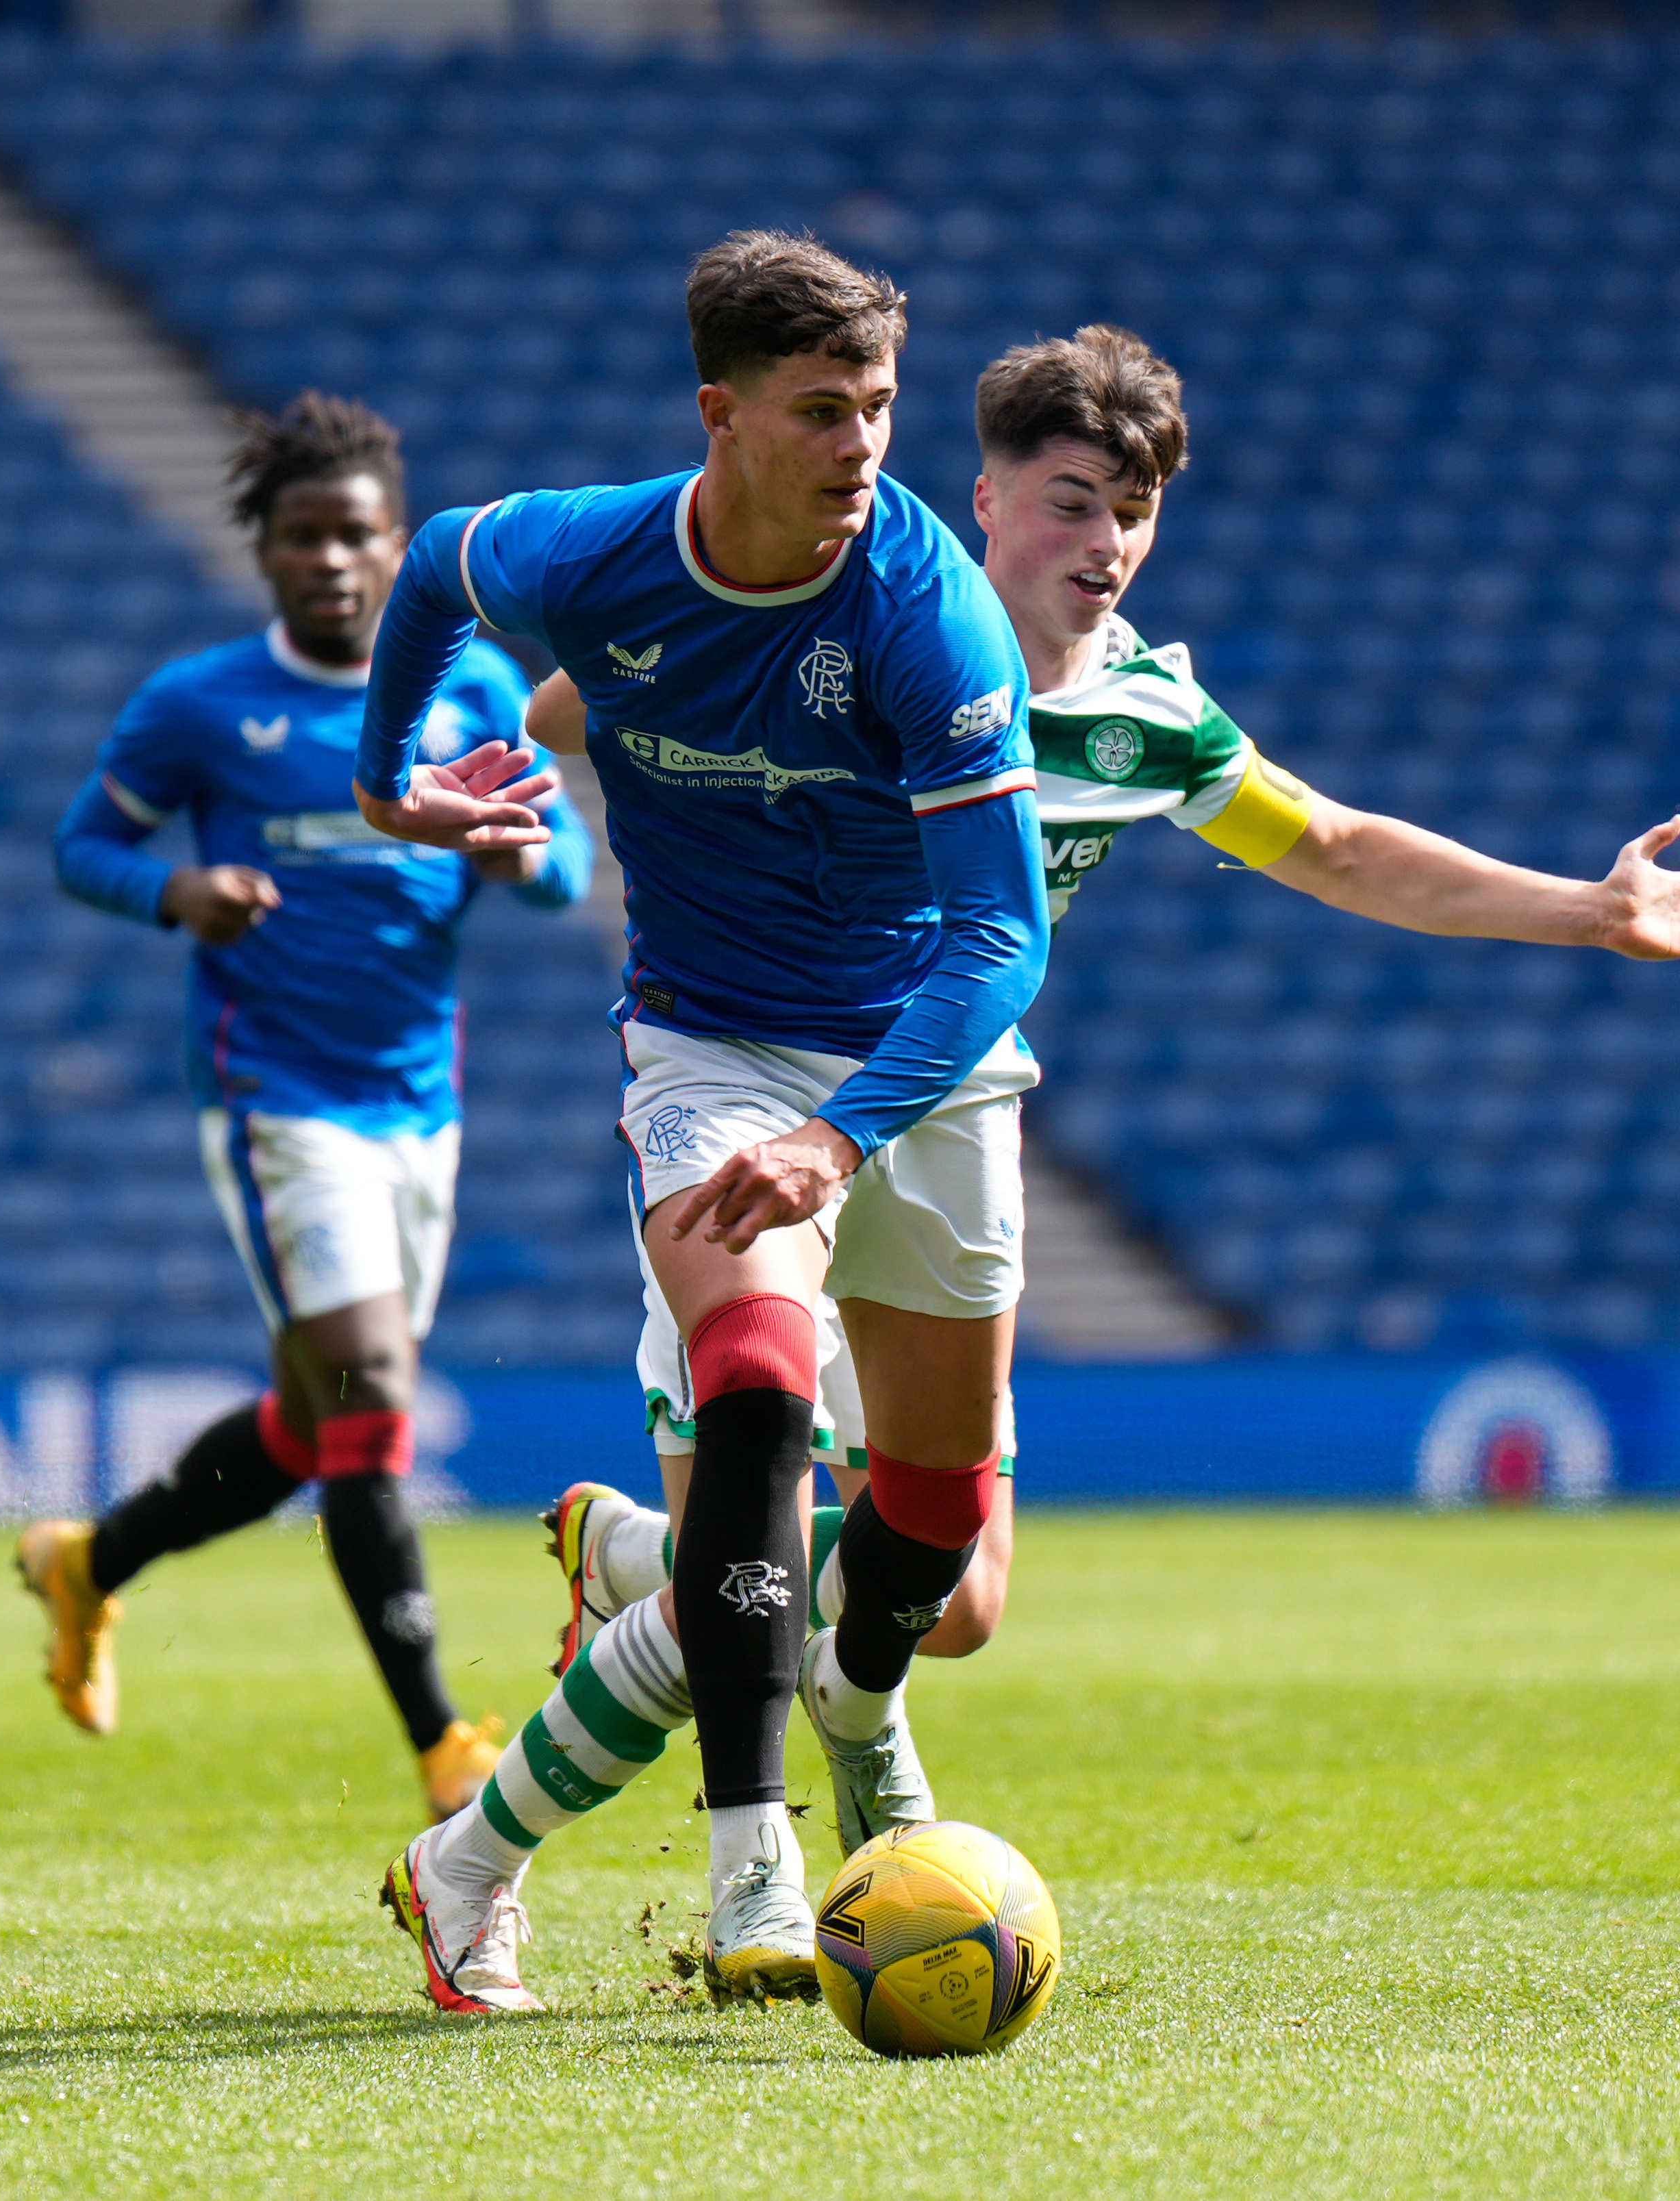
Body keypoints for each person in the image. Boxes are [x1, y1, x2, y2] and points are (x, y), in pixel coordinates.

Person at [523, 325, 1680, 1843]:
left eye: (1132, 511)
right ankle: (566, 1843)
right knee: (766, 1586)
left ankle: (641, 1560)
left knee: (956, 1598)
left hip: (942, 1129)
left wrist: (1585, 905)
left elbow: (1336, 846)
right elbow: (581, 713)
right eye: (1066, 500)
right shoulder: (856, 624)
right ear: (978, 497)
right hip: (763, 1108)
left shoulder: (1145, 718)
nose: (1103, 543)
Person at [351, 233, 1050, 2014]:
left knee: (934, 1545)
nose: (860, 448)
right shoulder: (592, 551)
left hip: (923, 1054)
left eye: (880, 409)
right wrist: (387, 779)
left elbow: (1001, 932)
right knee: (752, 1381)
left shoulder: (925, 608)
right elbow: (433, 566)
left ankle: (607, 1626)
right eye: (823, 412)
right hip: (708, 1048)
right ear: (718, 416)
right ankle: (754, 1864)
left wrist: (850, 1133)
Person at [20, 392, 592, 1826]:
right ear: (263, 552)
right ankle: (442, 1741)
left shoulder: (468, 692)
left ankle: (91, 1561)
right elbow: (82, 843)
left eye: (358, 535)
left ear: (401, 547)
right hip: (278, 1100)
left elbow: (573, 870)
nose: (332, 561)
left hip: (418, 1106)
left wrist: (520, 851)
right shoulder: (200, 705)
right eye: (302, 537)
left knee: (315, 1413)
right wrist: (177, 889)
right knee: (373, 1394)